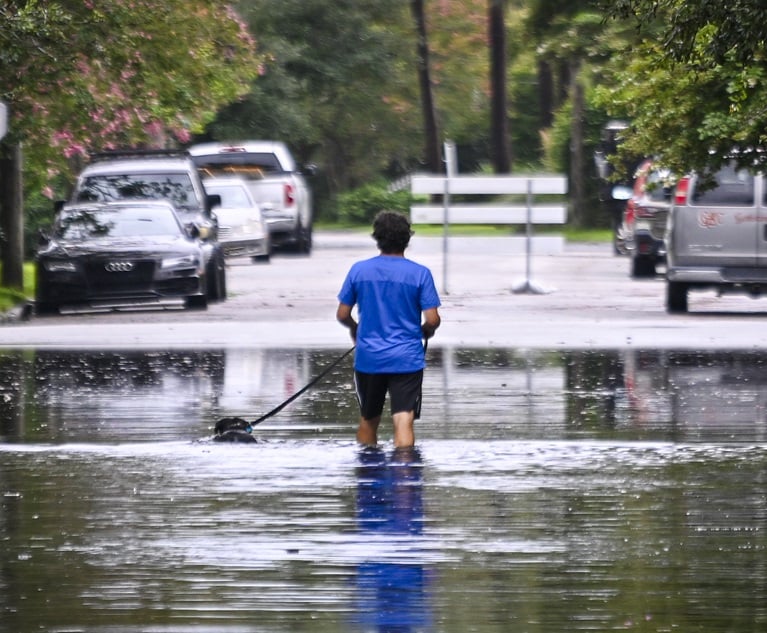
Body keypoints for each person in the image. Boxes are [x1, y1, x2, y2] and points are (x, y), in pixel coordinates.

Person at [337, 211, 441, 448]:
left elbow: (342, 314)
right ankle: (405, 476)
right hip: (407, 358)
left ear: (377, 238)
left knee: (368, 419)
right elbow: (433, 319)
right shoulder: (420, 274)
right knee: (403, 420)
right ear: (407, 239)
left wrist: (355, 328)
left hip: (369, 357)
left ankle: (367, 474)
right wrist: (425, 331)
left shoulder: (359, 271)